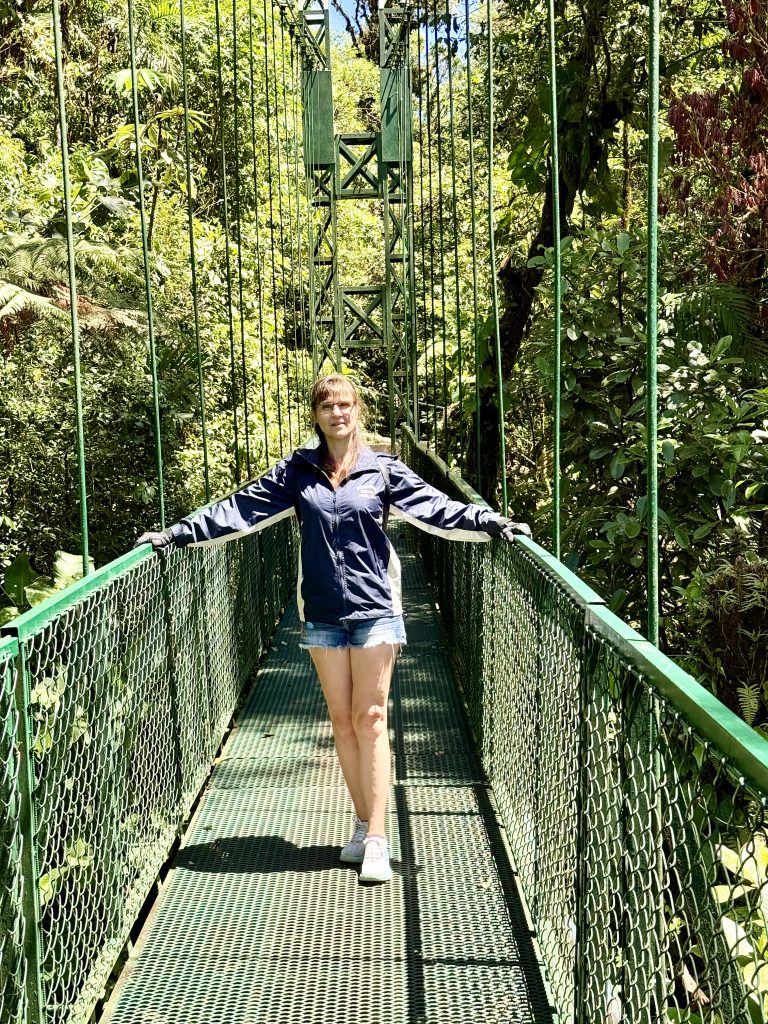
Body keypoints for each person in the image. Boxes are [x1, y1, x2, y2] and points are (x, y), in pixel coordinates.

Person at [136, 373, 531, 883]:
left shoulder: (382, 469)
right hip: (323, 612)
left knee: (371, 718)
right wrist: (177, 533)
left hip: (375, 608)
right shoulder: (297, 472)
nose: (337, 414)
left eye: (344, 405)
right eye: (327, 407)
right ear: (317, 416)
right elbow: (241, 508)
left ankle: (378, 839)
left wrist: (491, 522)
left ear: (357, 410)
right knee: (342, 721)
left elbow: (436, 507)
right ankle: (364, 824)